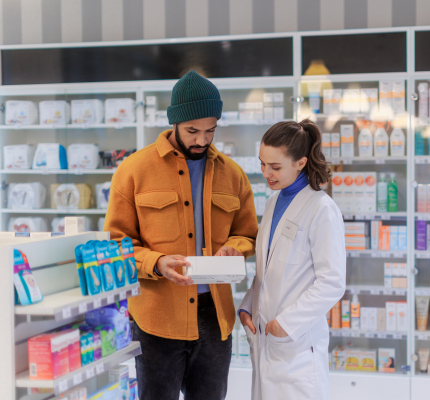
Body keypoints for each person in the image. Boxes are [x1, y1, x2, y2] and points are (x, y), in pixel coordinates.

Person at [104, 70, 258, 400]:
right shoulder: (134, 170)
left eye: (210, 131)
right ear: (174, 122)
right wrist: (156, 262)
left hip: (215, 319)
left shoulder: (233, 174)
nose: (202, 140)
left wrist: (235, 246)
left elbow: (248, 233)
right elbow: (116, 241)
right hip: (157, 318)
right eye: (192, 131)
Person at [239, 119, 346, 400]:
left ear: (300, 163)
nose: (266, 173)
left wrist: (285, 324)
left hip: (295, 346)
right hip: (265, 339)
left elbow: (332, 282)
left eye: (275, 167)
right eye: (262, 163)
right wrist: (248, 305)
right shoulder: (273, 201)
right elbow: (267, 268)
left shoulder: (322, 209)